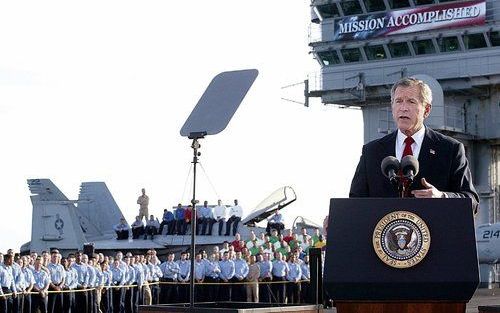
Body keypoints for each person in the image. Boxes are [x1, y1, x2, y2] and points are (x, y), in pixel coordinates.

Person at [349, 77, 479, 212]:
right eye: (398, 101)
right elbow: (355, 202)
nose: (403, 108)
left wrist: (442, 197)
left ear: (427, 110)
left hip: (433, 231)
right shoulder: (372, 151)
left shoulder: (450, 149)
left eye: (411, 102)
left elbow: (472, 202)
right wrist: (337, 218)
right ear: (392, 107)